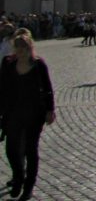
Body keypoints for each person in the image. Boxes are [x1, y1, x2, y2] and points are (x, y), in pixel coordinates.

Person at [1, 34, 56, 201]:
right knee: (11, 150)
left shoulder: (39, 65)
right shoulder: (9, 65)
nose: (20, 51)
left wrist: (50, 110)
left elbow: (48, 88)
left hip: (34, 114)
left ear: (30, 48)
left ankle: (29, 186)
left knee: (30, 150)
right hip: (13, 113)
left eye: (24, 48)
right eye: (17, 48)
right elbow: (2, 89)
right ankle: (18, 177)